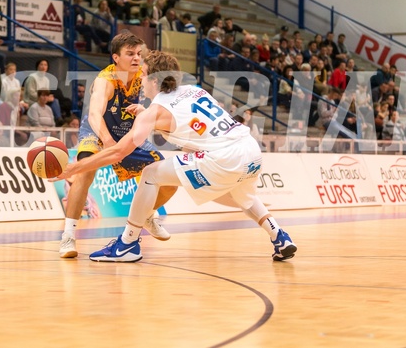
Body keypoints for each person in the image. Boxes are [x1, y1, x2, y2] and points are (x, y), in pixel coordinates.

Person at [58, 50, 297, 262]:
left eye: (143, 74)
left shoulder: (153, 113)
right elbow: (184, 124)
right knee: (242, 196)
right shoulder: (195, 90)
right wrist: (148, 115)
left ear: (153, 80)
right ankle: (279, 235)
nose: (140, 79)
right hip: (250, 150)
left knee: (151, 173)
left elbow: (120, 151)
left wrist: (75, 168)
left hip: (223, 157)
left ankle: (127, 243)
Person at [57, 31, 176, 259]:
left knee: (168, 176)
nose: (136, 58)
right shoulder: (106, 80)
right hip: (97, 130)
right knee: (85, 171)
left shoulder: (144, 77)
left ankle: (148, 216)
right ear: (115, 58)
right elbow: (93, 114)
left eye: (139, 54)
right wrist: (109, 141)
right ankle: (68, 236)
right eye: (130, 54)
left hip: (126, 132)